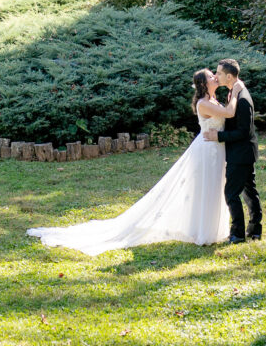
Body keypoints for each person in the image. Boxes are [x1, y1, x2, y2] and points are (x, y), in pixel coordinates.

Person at [26, 68, 243, 255]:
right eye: (211, 76)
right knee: (207, 188)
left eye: (215, 75)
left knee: (214, 187)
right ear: (204, 84)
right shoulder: (205, 103)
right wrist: (236, 89)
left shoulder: (212, 99)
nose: (216, 77)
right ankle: (204, 231)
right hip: (207, 151)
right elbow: (229, 113)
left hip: (216, 149)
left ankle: (210, 227)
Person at [203, 59, 262, 243]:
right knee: (249, 191)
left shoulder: (242, 98)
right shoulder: (235, 92)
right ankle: (254, 229)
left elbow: (243, 132)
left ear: (229, 76)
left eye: (219, 73)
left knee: (231, 193)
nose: (216, 76)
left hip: (241, 153)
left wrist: (218, 137)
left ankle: (237, 234)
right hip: (243, 152)